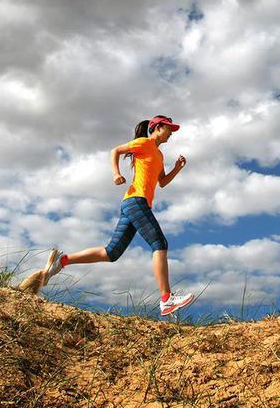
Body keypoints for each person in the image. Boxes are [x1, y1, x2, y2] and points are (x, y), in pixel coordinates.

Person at [19, 115, 195, 316]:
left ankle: (62, 260)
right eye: (169, 129)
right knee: (159, 243)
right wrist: (115, 173)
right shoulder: (144, 143)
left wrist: (177, 168)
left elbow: (162, 182)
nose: (171, 133)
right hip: (136, 201)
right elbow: (116, 151)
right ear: (157, 127)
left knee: (111, 253)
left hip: (132, 205)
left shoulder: (159, 155)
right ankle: (166, 299)